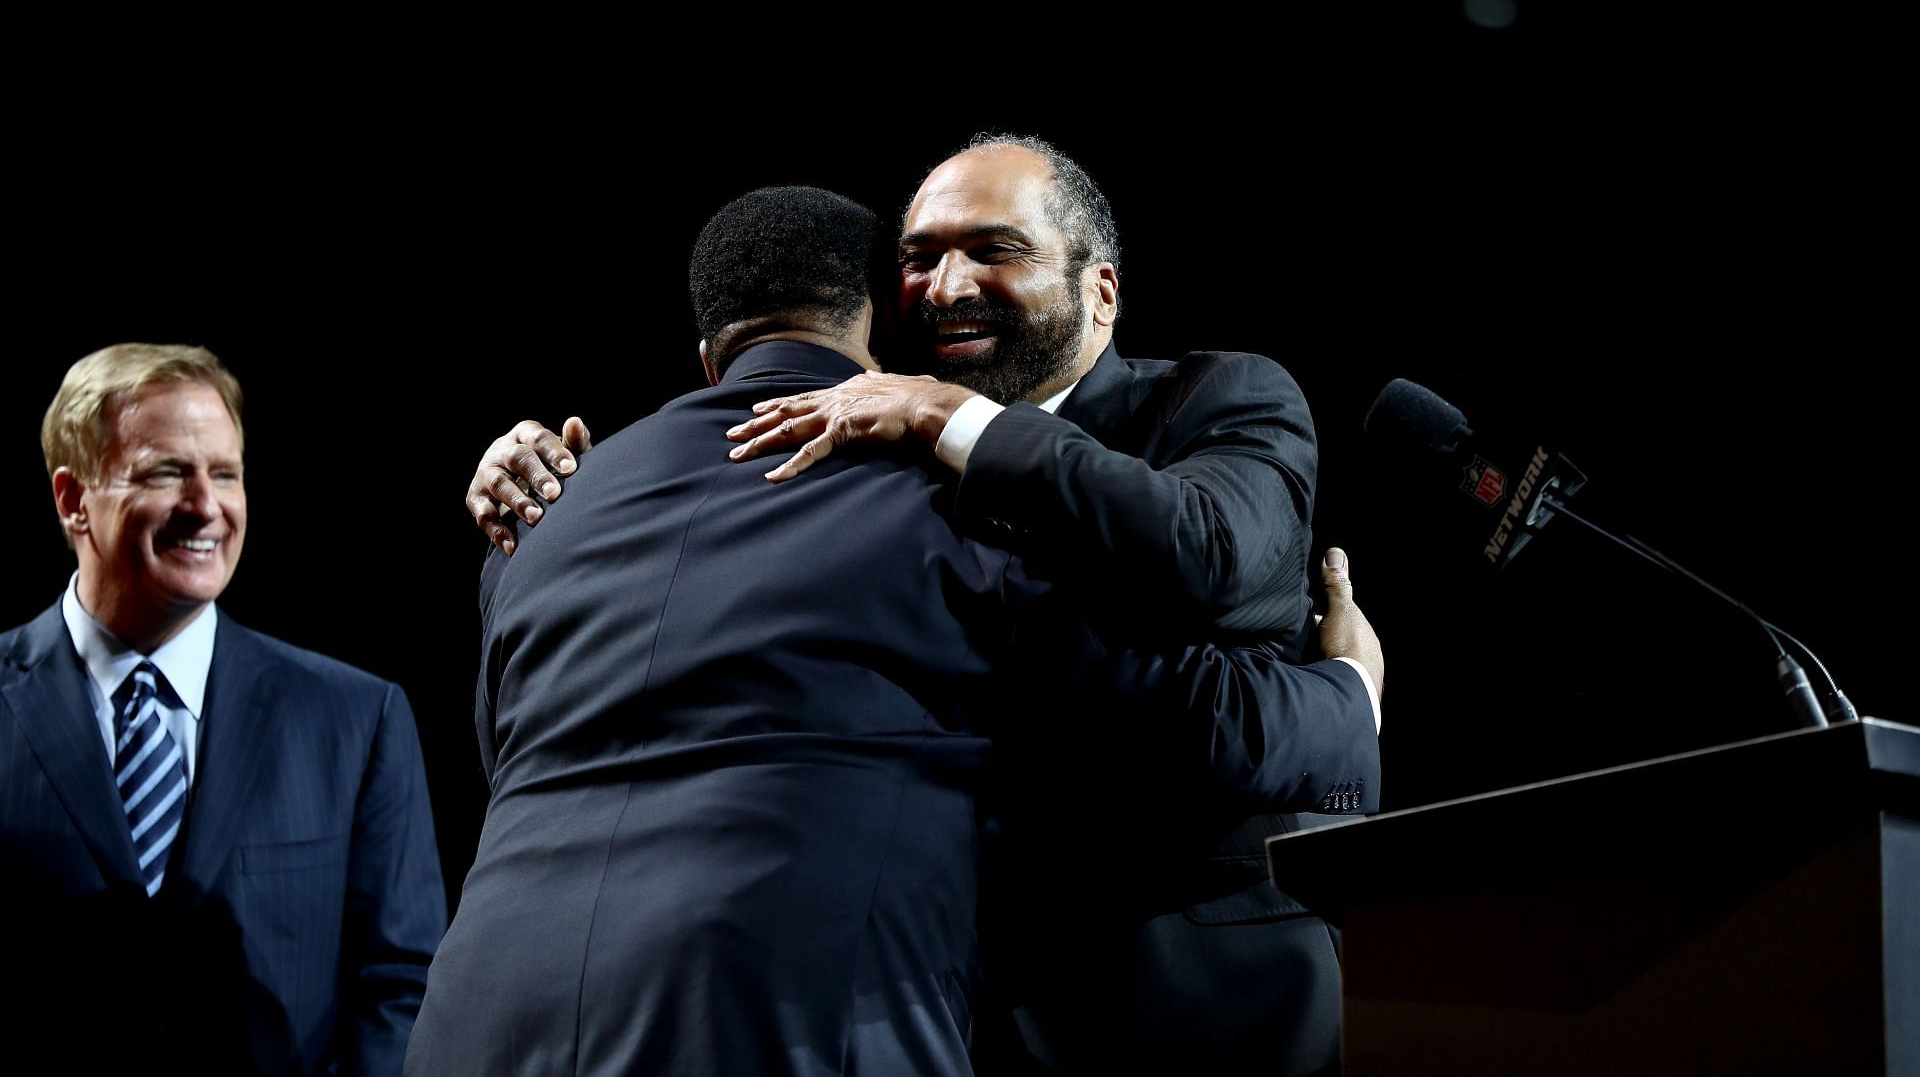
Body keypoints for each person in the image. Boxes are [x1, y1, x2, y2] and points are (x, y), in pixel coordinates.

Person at [465, 136, 1381, 1074]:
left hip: (1199, 1002)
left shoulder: (1214, 398)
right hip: (937, 1002)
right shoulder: (872, 466)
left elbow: (1215, 555)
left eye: (994, 250)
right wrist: (538, 481)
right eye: (917, 259)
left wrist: (961, 423)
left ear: (1100, 289)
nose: (944, 287)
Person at [1, 343, 445, 1076]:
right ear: (73, 499)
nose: (206, 506)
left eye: (226, 474)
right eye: (167, 472)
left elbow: (403, 989)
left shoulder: (357, 721)